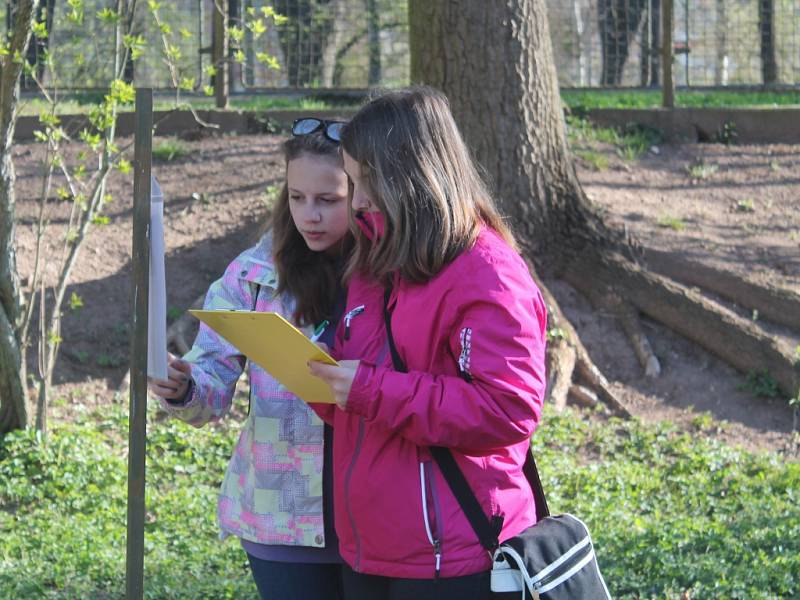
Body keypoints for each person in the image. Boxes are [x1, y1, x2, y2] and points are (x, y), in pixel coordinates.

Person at [309, 86, 548, 600]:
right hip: (369, 550)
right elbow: (369, 401)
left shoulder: (488, 273)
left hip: (453, 558)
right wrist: (323, 382)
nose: (361, 199)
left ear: (416, 173)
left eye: (369, 180)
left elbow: (507, 410)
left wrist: (369, 390)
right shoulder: (373, 258)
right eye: (353, 181)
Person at [148, 119, 351, 600]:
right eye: (297, 197)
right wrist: (185, 386)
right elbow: (212, 377)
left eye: (328, 200)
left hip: (374, 511)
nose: (310, 215)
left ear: (362, 194)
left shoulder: (390, 270)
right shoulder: (255, 274)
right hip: (277, 513)